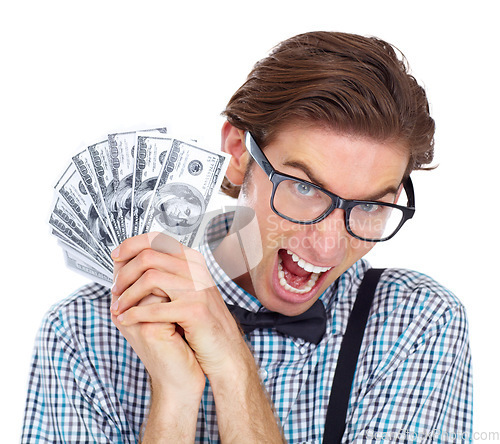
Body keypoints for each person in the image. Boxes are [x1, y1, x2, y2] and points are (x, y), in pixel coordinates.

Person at [22, 31, 472, 443]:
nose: (330, 245)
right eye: (304, 188)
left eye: (371, 205)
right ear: (239, 153)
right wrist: (175, 400)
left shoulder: (417, 324)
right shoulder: (84, 332)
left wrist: (233, 365)